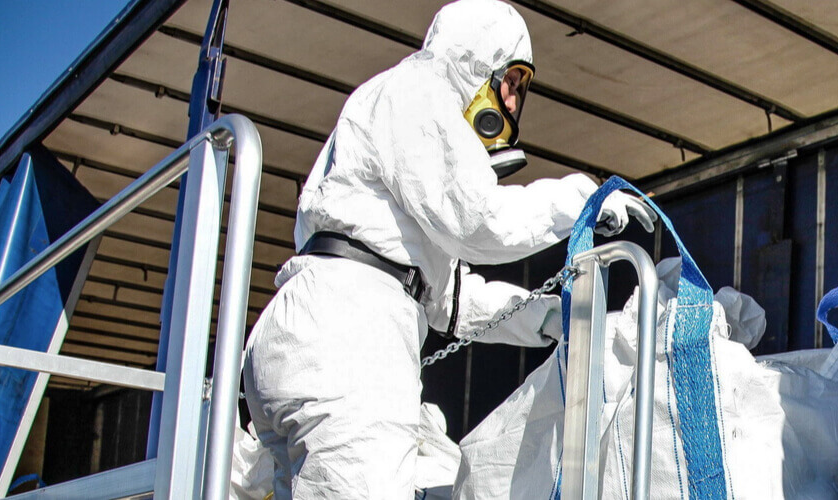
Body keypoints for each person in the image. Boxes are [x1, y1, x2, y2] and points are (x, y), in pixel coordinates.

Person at [239, 0, 655, 497]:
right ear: (482, 61)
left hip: (314, 328)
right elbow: (479, 221)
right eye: (513, 82)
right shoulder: (422, 90)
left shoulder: (395, 170)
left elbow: (454, 303)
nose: (512, 103)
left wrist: (549, 317)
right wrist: (579, 200)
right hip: (350, 340)